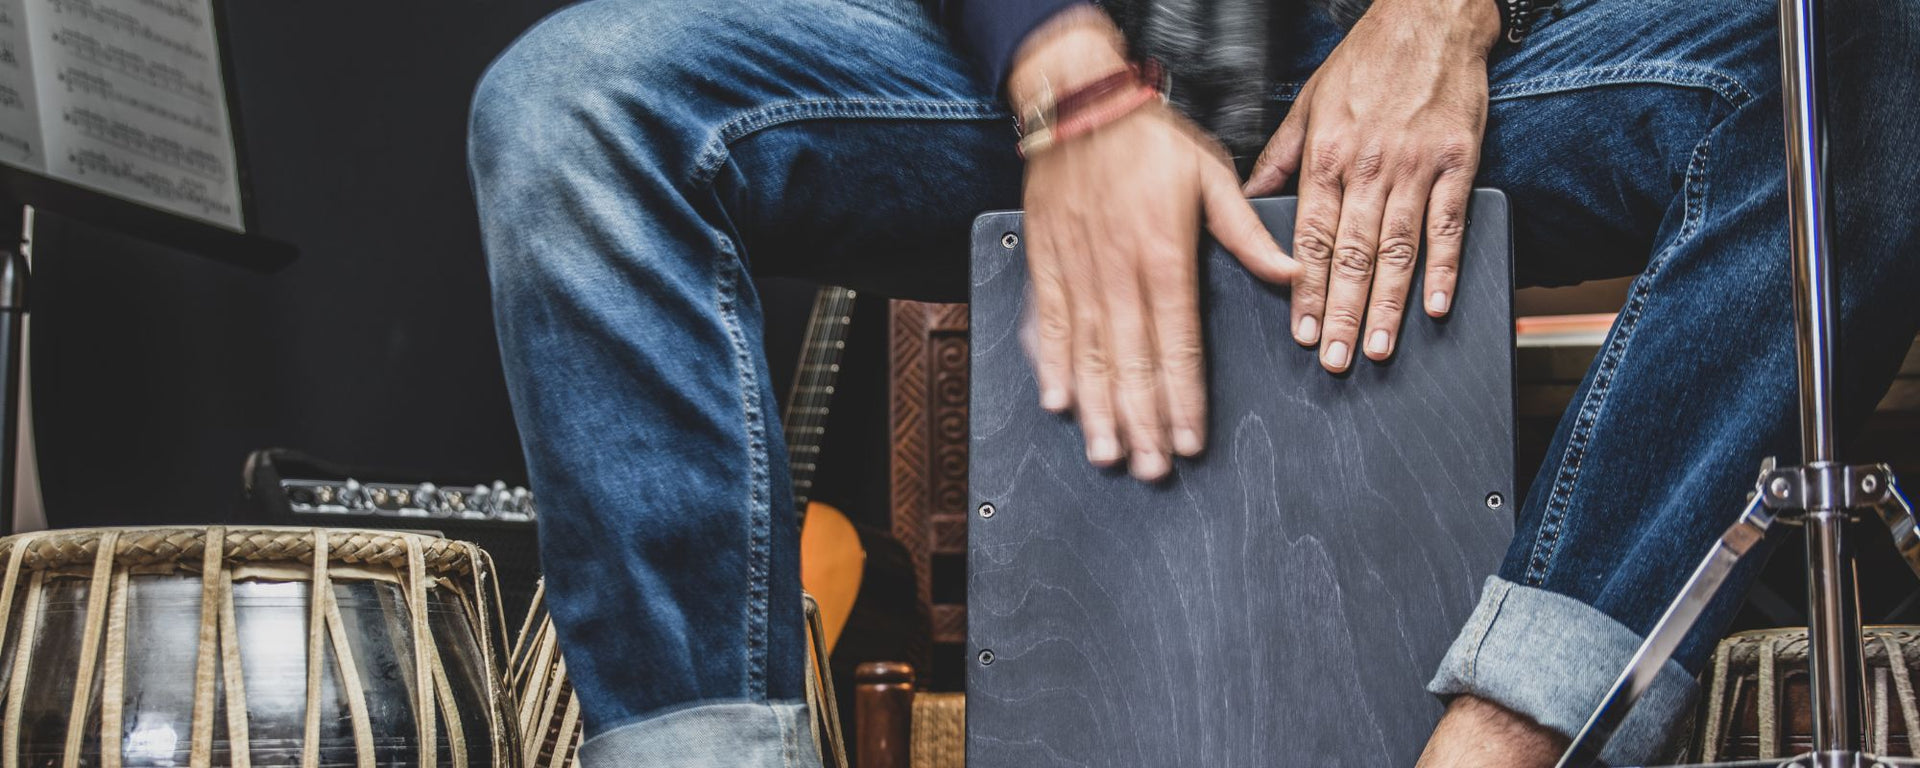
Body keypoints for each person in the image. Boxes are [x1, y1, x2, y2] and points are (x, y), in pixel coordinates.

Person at [466, 0, 1920, 763]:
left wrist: (1449, 7)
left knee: (1863, 57)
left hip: (1425, 57)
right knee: (575, 106)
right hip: (1061, 71)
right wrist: (1070, 78)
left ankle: (1516, 736)